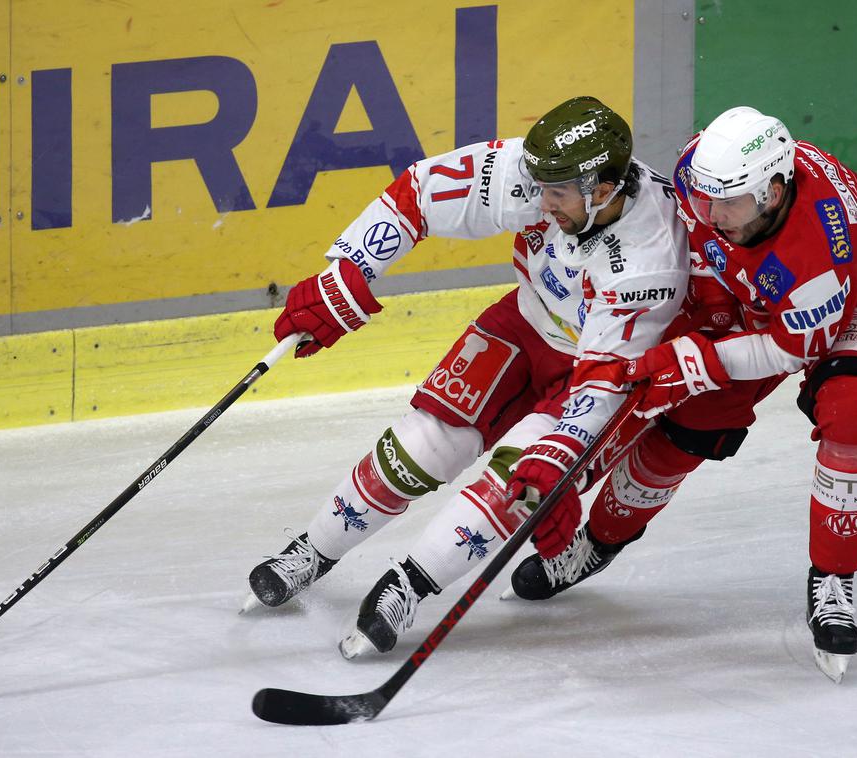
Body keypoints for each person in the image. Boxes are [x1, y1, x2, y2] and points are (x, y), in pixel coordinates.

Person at [242, 96, 691, 658]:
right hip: (525, 322)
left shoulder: (652, 261)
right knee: (423, 442)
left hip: (598, 376)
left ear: (602, 190)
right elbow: (420, 194)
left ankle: (408, 584)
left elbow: (602, 381)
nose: (540, 199)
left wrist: (559, 456)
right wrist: (349, 270)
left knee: (515, 486)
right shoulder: (544, 175)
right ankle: (314, 549)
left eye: (556, 193)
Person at [506, 106, 857, 683]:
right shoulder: (706, 170)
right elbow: (685, 228)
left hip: (848, 311)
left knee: (854, 419)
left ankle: (833, 579)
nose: (712, 216)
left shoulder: (819, 254)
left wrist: (695, 360)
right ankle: (598, 543)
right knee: (688, 430)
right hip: (749, 303)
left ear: (774, 193)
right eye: (705, 200)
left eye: (729, 204)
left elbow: (792, 346)